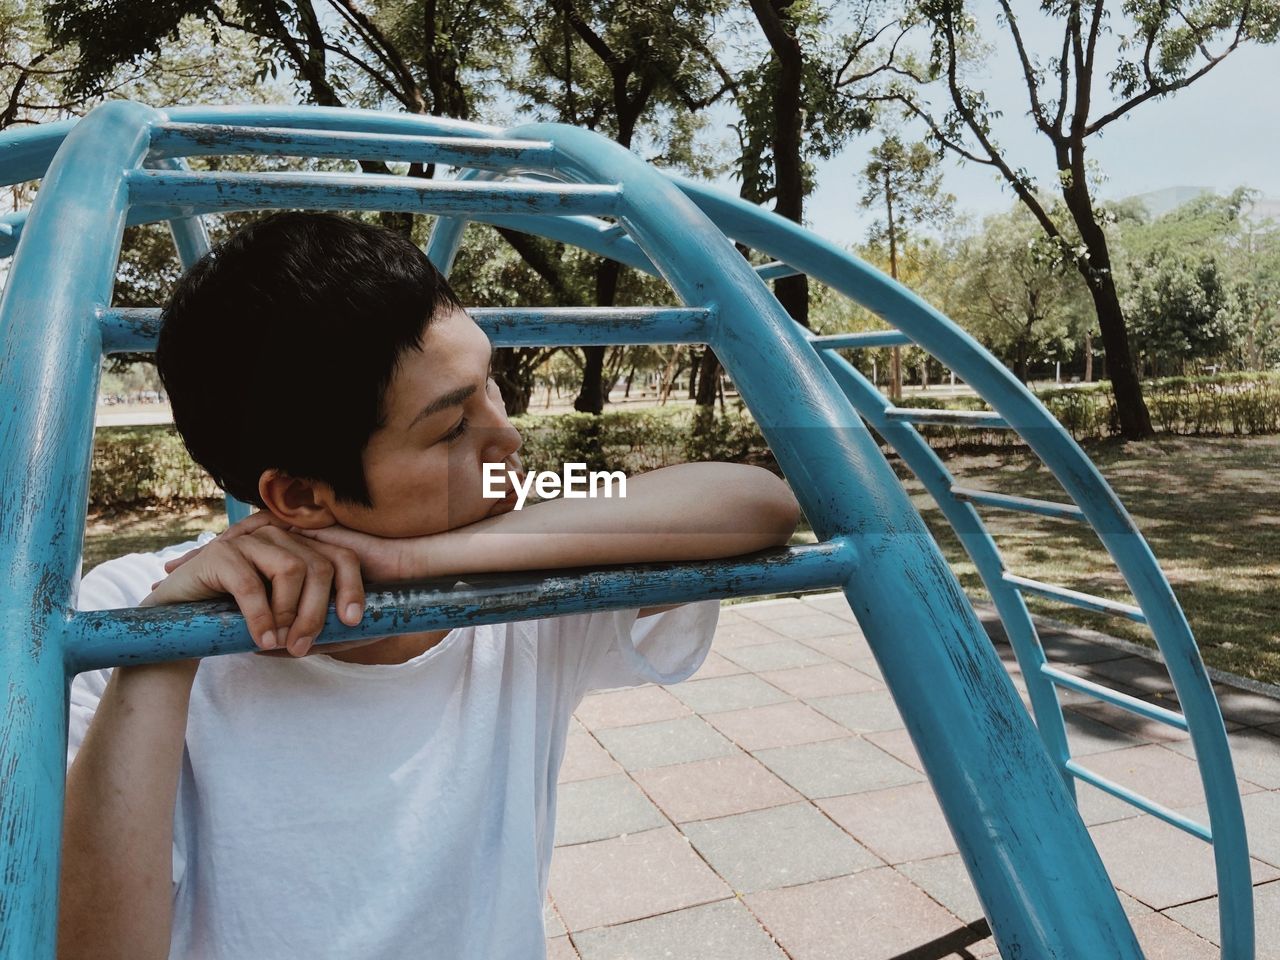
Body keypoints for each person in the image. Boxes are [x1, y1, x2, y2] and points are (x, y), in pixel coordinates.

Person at [59, 212, 801, 960]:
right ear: (302, 497)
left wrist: (423, 559)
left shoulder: (518, 588)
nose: (508, 438)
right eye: (452, 430)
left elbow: (756, 500)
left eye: (492, 385)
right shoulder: (132, 609)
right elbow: (87, 945)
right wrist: (158, 655)